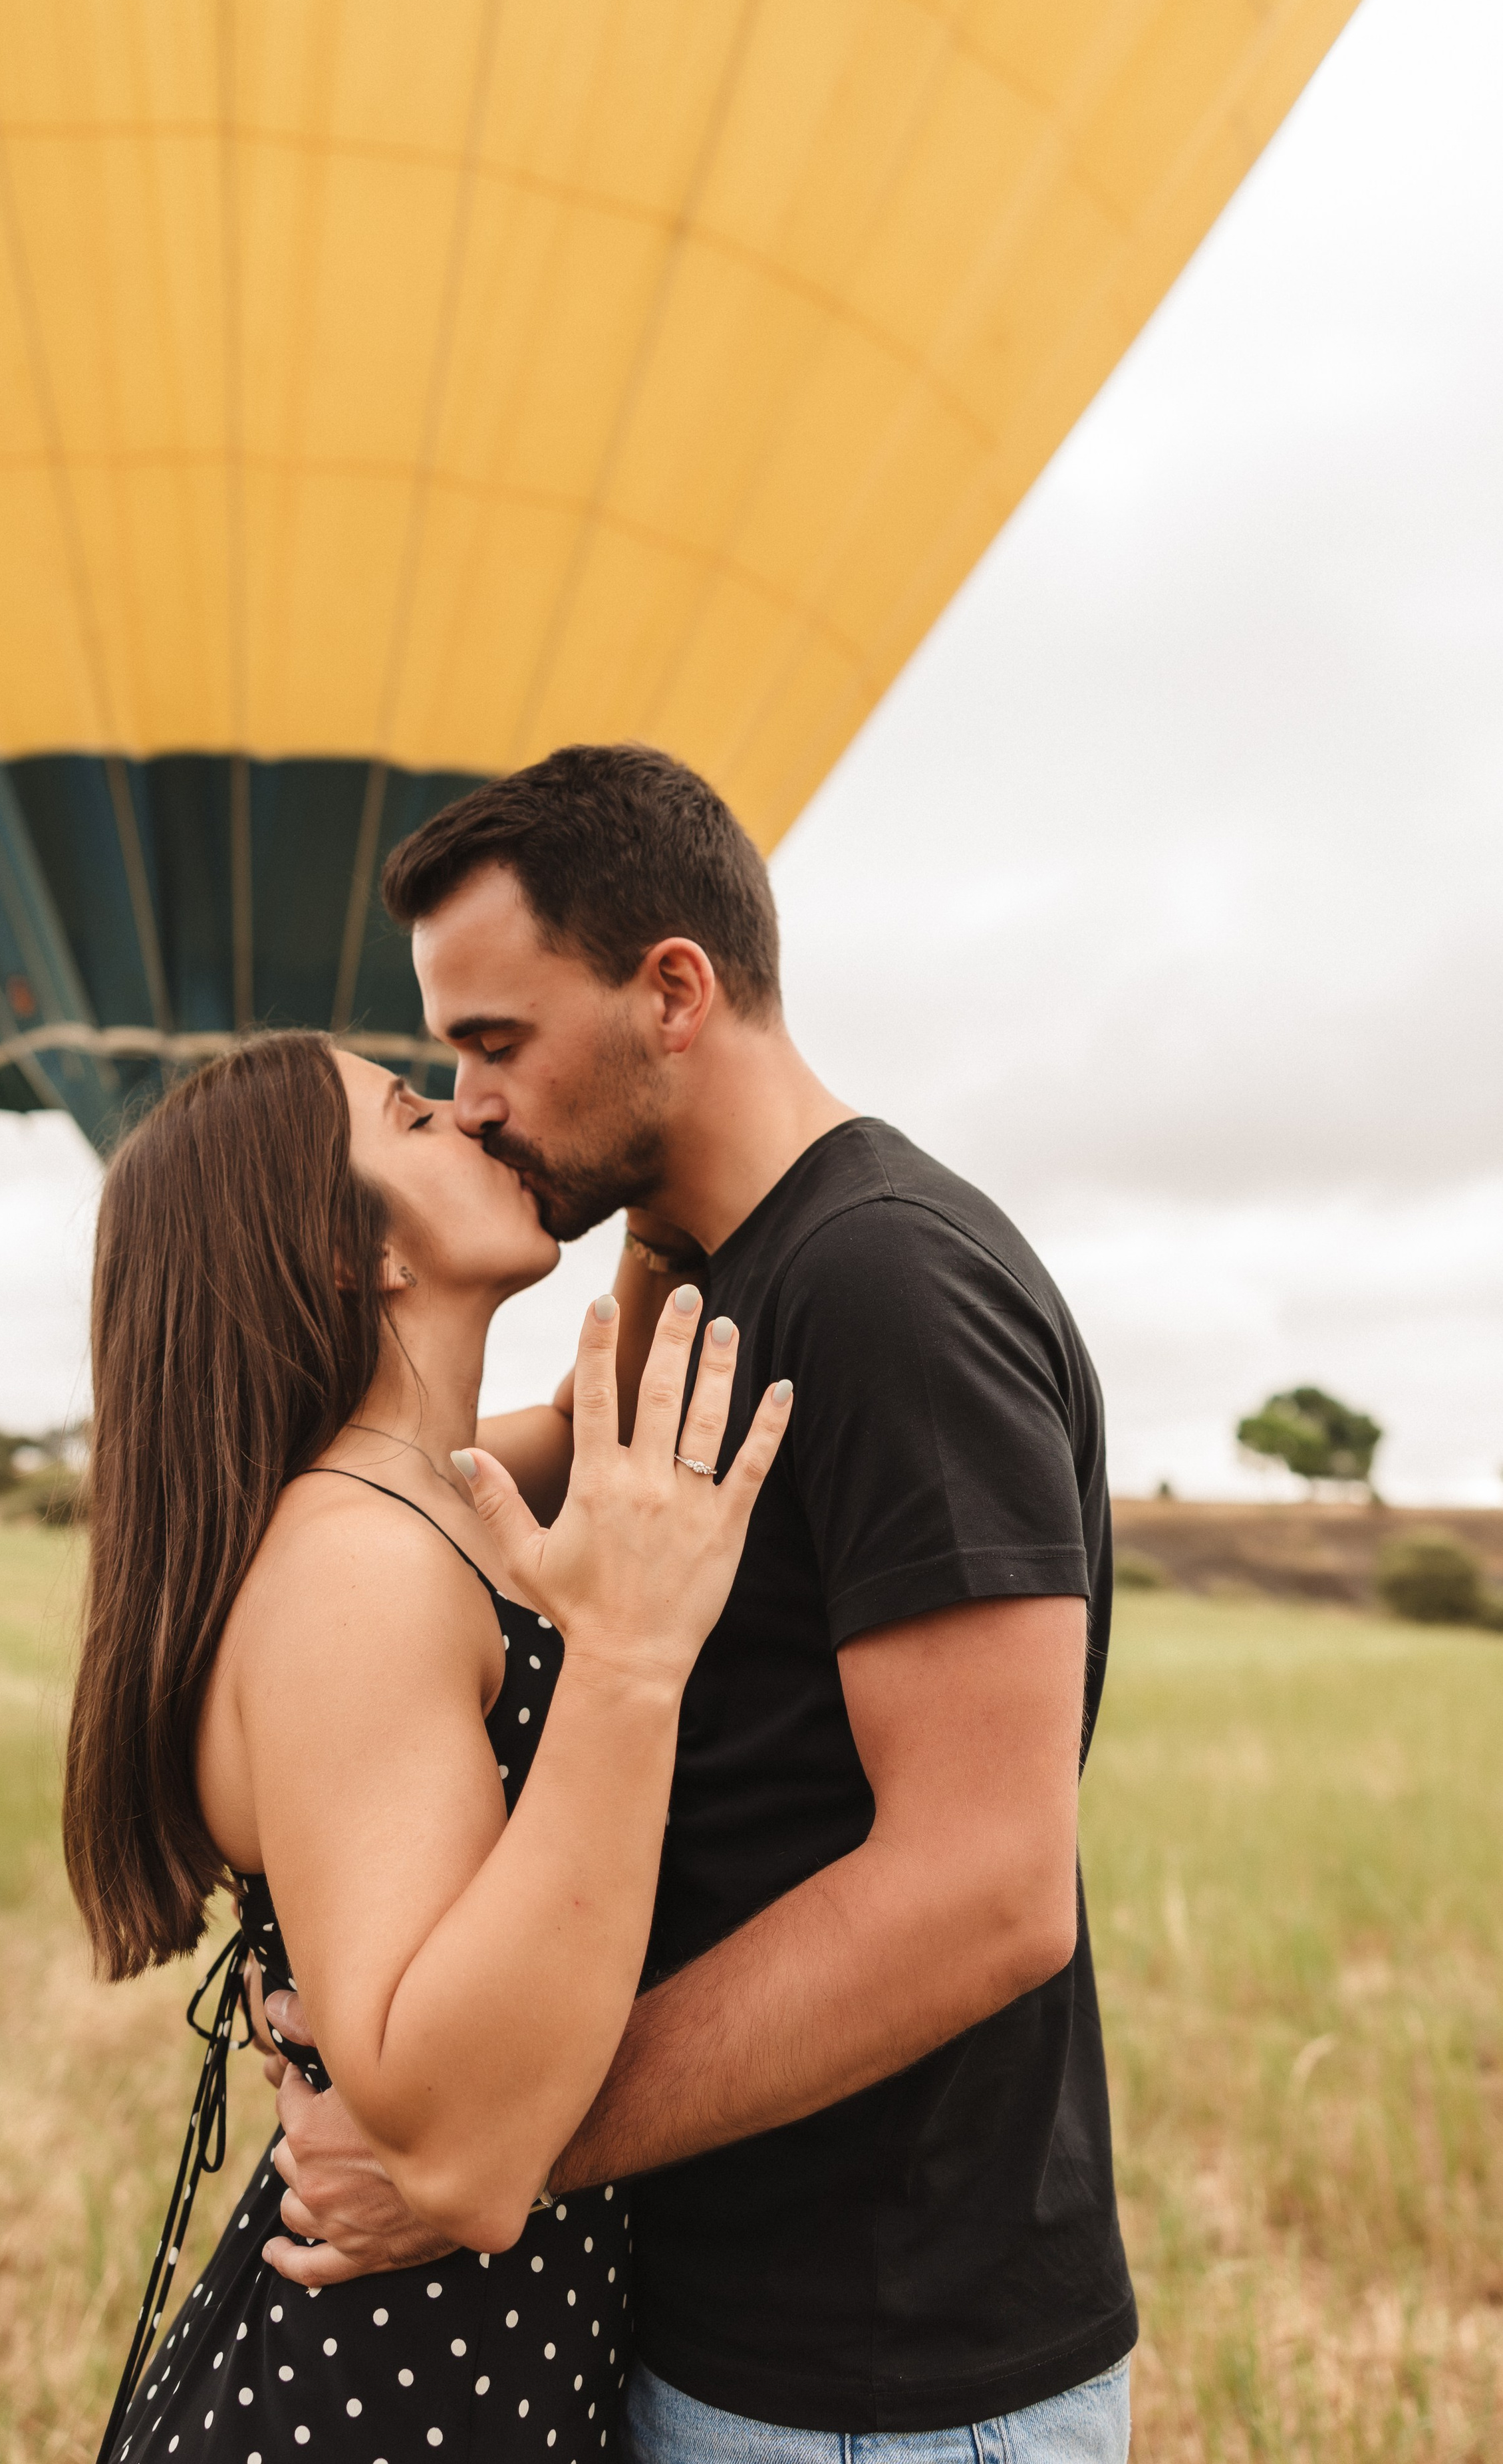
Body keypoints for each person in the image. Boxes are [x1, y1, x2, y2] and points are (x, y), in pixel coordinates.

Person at [259, 745, 1138, 2463]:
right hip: (735, 2334)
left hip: (884, 2385)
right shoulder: (732, 1286)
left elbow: (988, 1887)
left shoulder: (883, 1282)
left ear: (675, 991)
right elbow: (449, 1476)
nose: (470, 1098)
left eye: (495, 1041)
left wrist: (496, 2148)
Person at [64, 1028, 791, 2462]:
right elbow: (457, 2153)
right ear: (356, 1254)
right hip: (395, 2407)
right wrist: (630, 1663)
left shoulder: (433, 1498)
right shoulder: (358, 1567)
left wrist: (645, 1165)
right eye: (411, 1116)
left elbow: (611, 1403)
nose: (466, 1113)